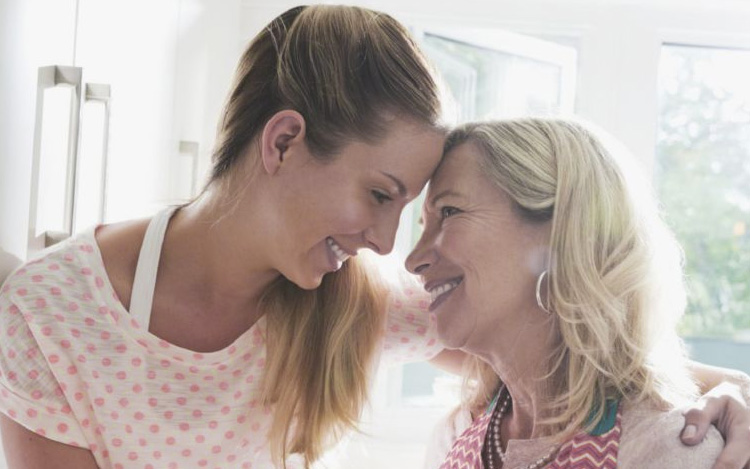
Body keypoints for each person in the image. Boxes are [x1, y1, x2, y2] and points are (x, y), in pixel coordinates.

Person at [0, 5, 748, 469]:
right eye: (382, 194)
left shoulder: (354, 298)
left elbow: (577, 345)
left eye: (429, 210)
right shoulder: (47, 314)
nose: (393, 246)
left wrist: (739, 395)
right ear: (285, 141)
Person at [407, 118, 748, 468]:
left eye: (449, 212)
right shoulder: (455, 434)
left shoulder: (671, 447)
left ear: (561, 234)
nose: (412, 260)